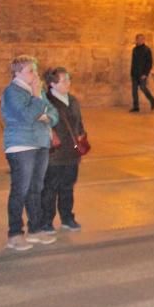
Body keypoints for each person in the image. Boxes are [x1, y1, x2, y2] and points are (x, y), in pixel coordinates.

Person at [1, 56, 59, 251]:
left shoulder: (38, 91)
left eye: (35, 70)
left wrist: (45, 116)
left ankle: (35, 229)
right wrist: (36, 99)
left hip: (41, 142)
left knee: (36, 188)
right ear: (17, 73)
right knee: (21, 189)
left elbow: (53, 113)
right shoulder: (12, 92)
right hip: (21, 145)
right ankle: (15, 233)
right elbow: (26, 116)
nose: (35, 75)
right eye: (30, 71)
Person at [40, 67, 87, 233]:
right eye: (64, 80)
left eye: (69, 79)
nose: (69, 83)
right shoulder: (46, 101)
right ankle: (46, 221)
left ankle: (67, 217)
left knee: (68, 186)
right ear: (52, 84)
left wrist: (81, 136)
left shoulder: (73, 100)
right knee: (50, 187)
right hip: (55, 152)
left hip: (72, 152)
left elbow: (79, 122)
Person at [129, 34, 154, 112]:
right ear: (136, 40)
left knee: (143, 88)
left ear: (144, 40)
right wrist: (132, 72)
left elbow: (149, 63)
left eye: (141, 39)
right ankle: (136, 107)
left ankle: (152, 100)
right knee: (134, 91)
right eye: (138, 39)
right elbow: (133, 62)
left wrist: (145, 74)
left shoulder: (147, 50)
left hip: (142, 74)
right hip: (134, 73)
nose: (140, 40)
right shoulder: (134, 49)